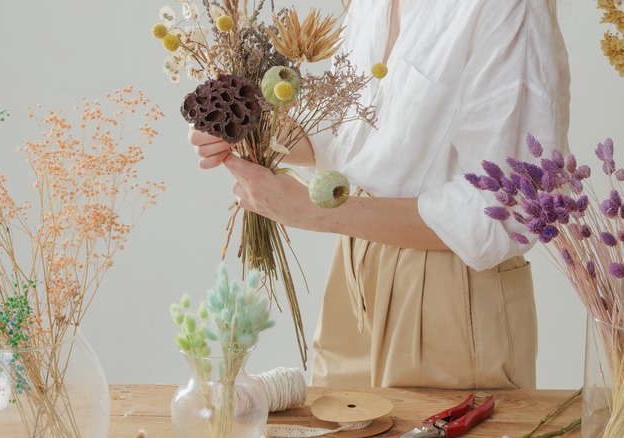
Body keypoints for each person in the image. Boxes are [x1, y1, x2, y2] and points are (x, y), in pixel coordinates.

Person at [188, 0, 569, 389]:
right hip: (354, 273)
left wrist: (310, 211)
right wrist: (252, 129)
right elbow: (361, 136)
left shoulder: (506, 7)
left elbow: (508, 205)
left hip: (451, 295)